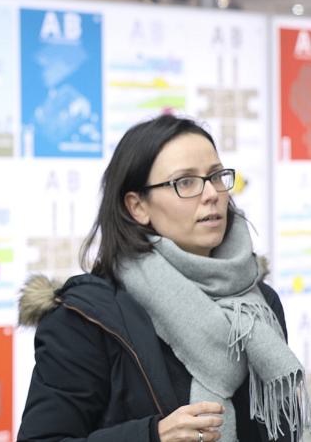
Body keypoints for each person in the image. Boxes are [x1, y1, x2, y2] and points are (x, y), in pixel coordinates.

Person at [17, 114, 308, 442]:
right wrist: (152, 436)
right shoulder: (85, 319)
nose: (211, 193)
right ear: (138, 206)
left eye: (216, 176)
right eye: (185, 182)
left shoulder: (258, 304)